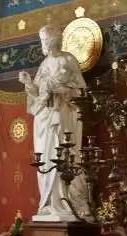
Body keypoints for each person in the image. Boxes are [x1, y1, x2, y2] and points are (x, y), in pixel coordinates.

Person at [19, 24, 89, 220]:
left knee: (67, 154)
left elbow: (82, 92)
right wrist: (29, 83)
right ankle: (50, 202)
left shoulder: (69, 60)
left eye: (45, 41)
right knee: (48, 158)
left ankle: (71, 202)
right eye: (42, 41)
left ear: (54, 41)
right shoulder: (44, 64)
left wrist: (64, 92)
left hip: (65, 115)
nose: (44, 45)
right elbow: (37, 96)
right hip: (45, 119)